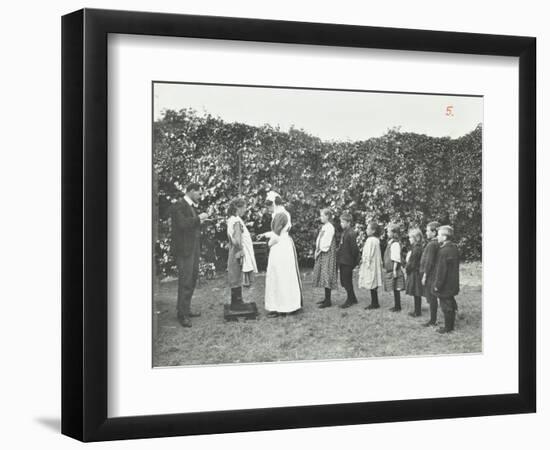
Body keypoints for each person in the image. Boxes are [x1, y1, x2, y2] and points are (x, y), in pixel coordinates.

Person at [171, 183, 209, 328]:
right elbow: (182, 225)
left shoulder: (192, 207)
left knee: (192, 278)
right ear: (191, 192)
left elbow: (192, 225)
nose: (200, 196)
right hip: (184, 249)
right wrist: (199, 218)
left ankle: (185, 309)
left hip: (193, 248)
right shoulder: (179, 206)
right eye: (199, 193)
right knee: (185, 280)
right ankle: (182, 315)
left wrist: (201, 221)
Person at [261, 192, 302, 317]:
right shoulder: (284, 213)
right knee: (285, 274)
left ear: (274, 204)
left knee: (279, 275)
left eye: (269, 205)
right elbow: (279, 231)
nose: (268, 208)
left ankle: (282, 306)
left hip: (280, 247)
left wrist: (268, 244)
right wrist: (266, 234)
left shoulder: (279, 215)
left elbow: (276, 236)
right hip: (285, 245)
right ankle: (290, 304)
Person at [226, 197, 258, 310]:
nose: (245, 209)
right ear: (237, 208)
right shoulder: (236, 221)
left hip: (234, 250)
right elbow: (238, 239)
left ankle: (237, 301)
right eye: (244, 207)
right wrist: (240, 251)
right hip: (237, 251)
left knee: (236, 275)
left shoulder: (231, 219)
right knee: (236, 275)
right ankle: (236, 303)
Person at [433, 225, 460, 333]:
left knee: (446, 305)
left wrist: (437, 285)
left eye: (439, 235)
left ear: (444, 237)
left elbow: (441, 270)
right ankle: (450, 325)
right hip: (453, 281)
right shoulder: (453, 248)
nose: (437, 237)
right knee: (450, 302)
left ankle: (448, 328)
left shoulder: (443, 251)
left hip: (445, 283)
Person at [313, 209, 339, 308]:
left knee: (326, 274)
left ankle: (328, 301)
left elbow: (326, 242)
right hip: (323, 253)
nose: (321, 217)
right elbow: (320, 239)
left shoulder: (330, 227)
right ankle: (326, 298)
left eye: (323, 216)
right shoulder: (325, 226)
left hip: (327, 253)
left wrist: (319, 250)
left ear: (328, 216)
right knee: (323, 275)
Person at [337, 213, 360, 308]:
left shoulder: (351, 233)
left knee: (347, 281)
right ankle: (353, 298)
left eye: (343, 222)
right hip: (343, 260)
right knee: (344, 281)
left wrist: (354, 261)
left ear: (349, 222)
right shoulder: (345, 232)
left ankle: (349, 300)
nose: (341, 224)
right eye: (341, 222)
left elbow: (354, 249)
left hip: (348, 261)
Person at [419, 221, 441, 327]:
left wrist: (425, 275)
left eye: (428, 231)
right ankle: (433, 319)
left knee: (432, 297)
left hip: (431, 274)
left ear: (434, 232)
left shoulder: (432, 244)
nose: (426, 233)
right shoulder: (436, 243)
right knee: (433, 297)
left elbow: (429, 261)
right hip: (434, 273)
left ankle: (433, 320)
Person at [358, 221, 383, 309]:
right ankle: (375, 302)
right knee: (373, 282)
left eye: (368, 229)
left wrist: (365, 262)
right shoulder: (376, 240)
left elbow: (368, 254)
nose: (366, 230)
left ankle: (374, 303)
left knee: (371, 282)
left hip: (371, 264)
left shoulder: (370, 240)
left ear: (373, 231)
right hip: (375, 263)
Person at [383, 223, 405, 312]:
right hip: (391, 269)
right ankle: (396, 305)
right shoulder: (390, 242)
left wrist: (395, 270)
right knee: (394, 287)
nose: (387, 233)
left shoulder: (395, 244)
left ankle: (397, 306)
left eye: (388, 232)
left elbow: (396, 258)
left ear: (394, 233)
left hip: (394, 269)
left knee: (396, 288)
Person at [405, 227, 424, 317]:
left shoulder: (416, 248)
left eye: (410, 237)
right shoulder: (418, 247)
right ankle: (417, 310)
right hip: (416, 271)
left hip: (415, 272)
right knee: (416, 292)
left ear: (416, 238)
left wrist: (407, 268)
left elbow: (412, 262)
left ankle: (417, 312)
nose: (409, 239)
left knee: (416, 292)